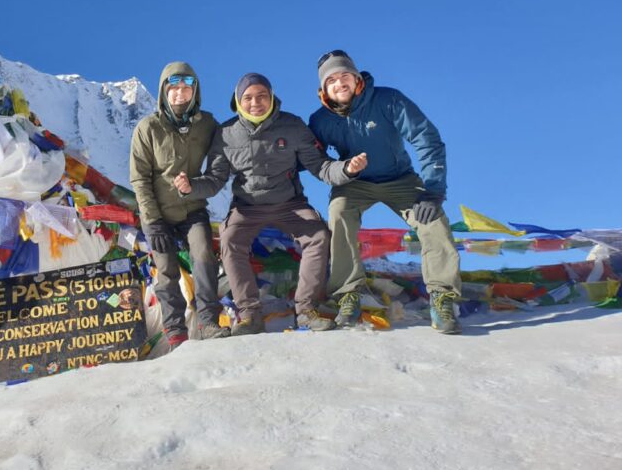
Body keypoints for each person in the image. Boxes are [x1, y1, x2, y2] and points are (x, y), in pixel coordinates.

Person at [177, 73, 366, 334]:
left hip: (289, 204)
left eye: (262, 96)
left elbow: (320, 166)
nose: (256, 102)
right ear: (238, 101)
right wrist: (191, 187)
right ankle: (249, 315)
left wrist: (347, 169)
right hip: (247, 207)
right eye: (248, 97)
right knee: (230, 239)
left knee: (318, 235)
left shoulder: (293, 126)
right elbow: (214, 180)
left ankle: (306, 310)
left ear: (272, 97)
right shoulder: (226, 134)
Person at [309, 50, 462, 334]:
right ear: (324, 90)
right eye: (332, 80)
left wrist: (433, 190)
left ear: (357, 80)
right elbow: (314, 161)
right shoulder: (320, 121)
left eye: (345, 76)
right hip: (354, 184)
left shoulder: (388, 100)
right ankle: (348, 295)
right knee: (339, 212)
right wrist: (343, 169)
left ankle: (443, 297)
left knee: (432, 220)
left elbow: (426, 138)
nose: (339, 83)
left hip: (400, 179)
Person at [130, 61, 223, 350]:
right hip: (158, 212)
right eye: (174, 87)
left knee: (204, 255)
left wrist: (195, 186)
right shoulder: (148, 128)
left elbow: (218, 169)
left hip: (192, 208)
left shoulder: (208, 124)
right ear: (164, 91)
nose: (180, 93)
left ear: (195, 91)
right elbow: (139, 178)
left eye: (187, 87)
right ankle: (175, 333)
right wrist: (153, 220)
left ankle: (208, 322)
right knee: (166, 267)